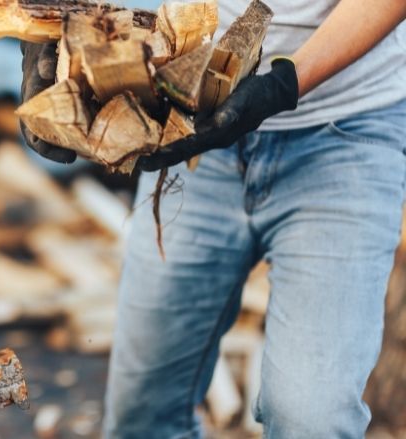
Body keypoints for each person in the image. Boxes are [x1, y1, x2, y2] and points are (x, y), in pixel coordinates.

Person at [20, 0, 406, 437]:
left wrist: (284, 84)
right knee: (142, 414)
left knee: (313, 418)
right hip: (191, 123)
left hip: (345, 133)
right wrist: (43, 40)